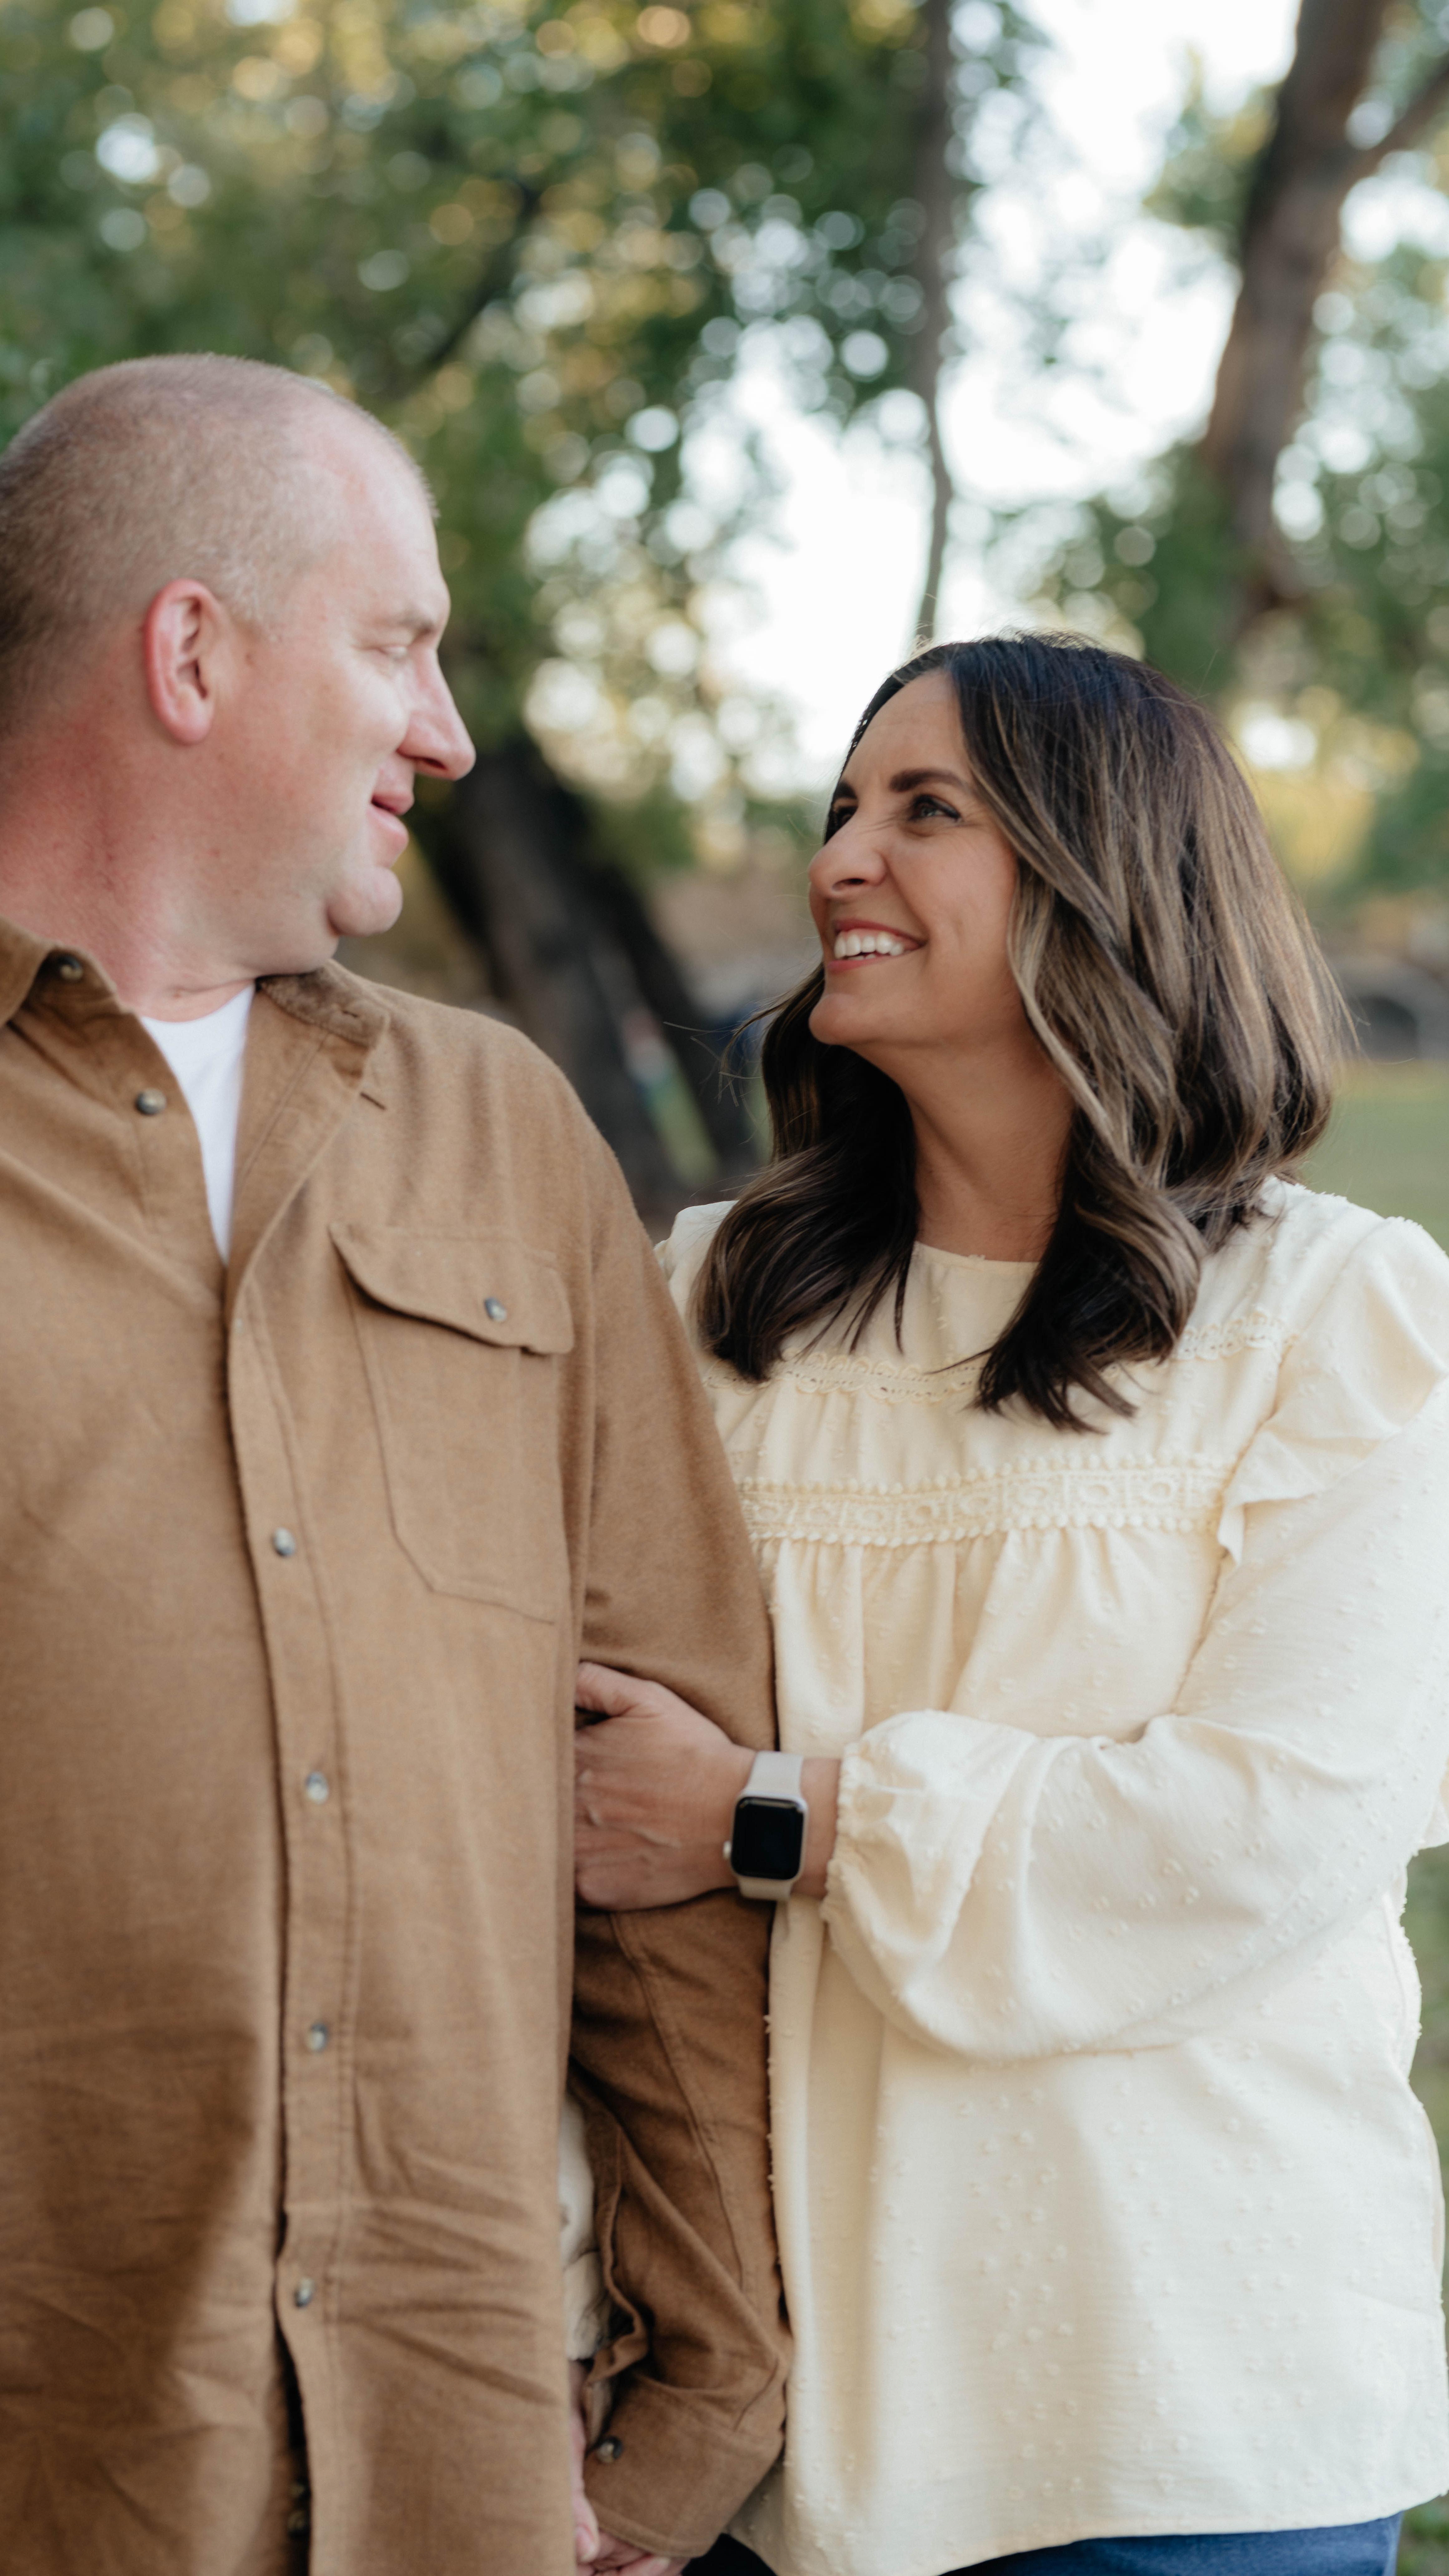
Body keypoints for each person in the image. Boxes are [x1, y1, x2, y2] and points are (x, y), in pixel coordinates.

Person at [0, 353, 787, 2576]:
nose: (447, 732)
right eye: (399, 644)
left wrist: (694, 2395)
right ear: (189, 654)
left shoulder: (503, 1136)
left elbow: (664, 1793)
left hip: (463, 2476)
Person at [573, 633, 1449, 2576]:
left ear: (1102, 871)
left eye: (924, 811)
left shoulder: (1337, 1319)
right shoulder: (705, 1306)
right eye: (838, 808)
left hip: (1185, 2418)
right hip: (763, 2424)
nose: (837, 864)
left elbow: (1267, 1828)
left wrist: (766, 1815)